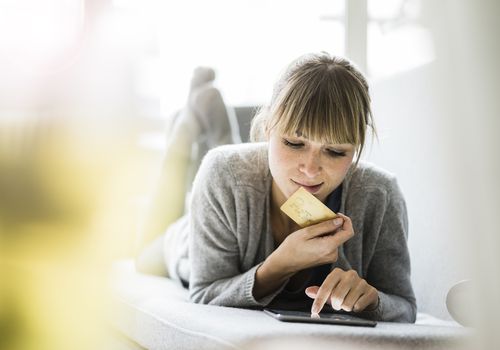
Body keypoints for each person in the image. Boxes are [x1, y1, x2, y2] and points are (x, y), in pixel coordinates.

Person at [136, 52, 417, 323]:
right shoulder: (224, 173)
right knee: (145, 256)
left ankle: (213, 118)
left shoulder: (380, 194)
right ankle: (184, 133)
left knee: (233, 163)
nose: (310, 169)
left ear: (355, 147)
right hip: (186, 239)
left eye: (335, 151)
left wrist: (372, 301)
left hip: (243, 177)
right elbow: (204, 292)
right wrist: (280, 265)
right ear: (268, 127)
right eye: (294, 143)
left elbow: (404, 306)